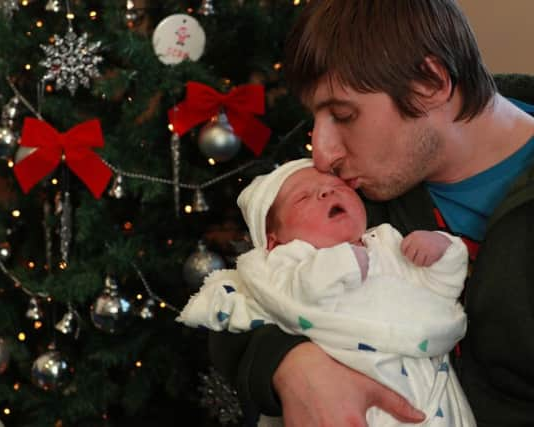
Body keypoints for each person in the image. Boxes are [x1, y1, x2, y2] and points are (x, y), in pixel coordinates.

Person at [208, 1, 534, 426]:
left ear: (430, 83)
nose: (322, 155)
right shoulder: (347, 189)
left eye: (343, 115)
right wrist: (290, 364)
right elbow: (240, 290)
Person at [178, 158, 475, 426]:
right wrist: (340, 263)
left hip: (429, 387)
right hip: (353, 392)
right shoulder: (285, 262)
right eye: (304, 197)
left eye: (335, 186)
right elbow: (293, 295)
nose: (326, 193)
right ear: (274, 240)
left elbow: (440, 292)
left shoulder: (387, 242)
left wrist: (441, 250)